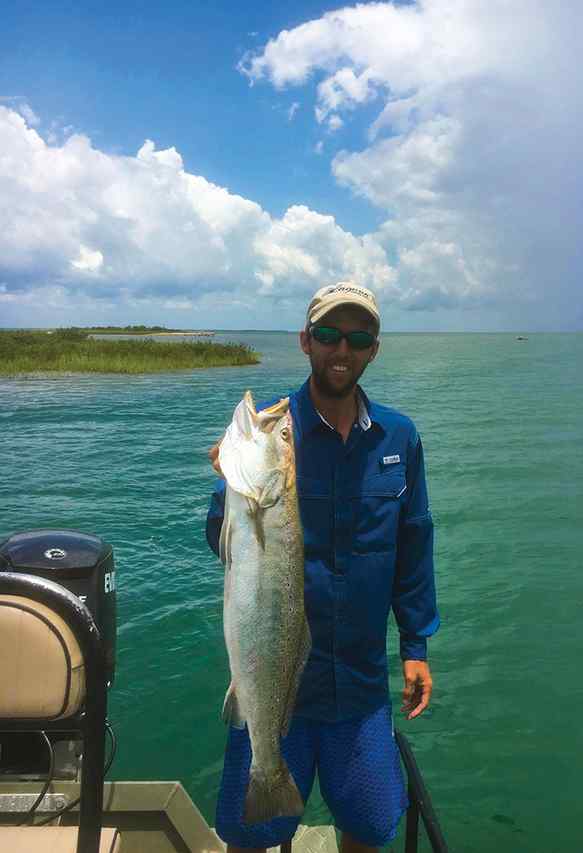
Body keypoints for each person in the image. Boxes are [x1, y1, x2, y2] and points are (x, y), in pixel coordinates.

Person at [206, 281, 439, 853]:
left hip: (360, 683)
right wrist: (227, 487)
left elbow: (413, 546)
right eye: (330, 334)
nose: (343, 349)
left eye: (358, 338)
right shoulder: (273, 429)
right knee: (250, 835)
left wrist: (415, 647)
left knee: (367, 825)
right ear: (306, 341)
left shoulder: (399, 437)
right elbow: (222, 546)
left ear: (373, 350)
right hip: (271, 679)